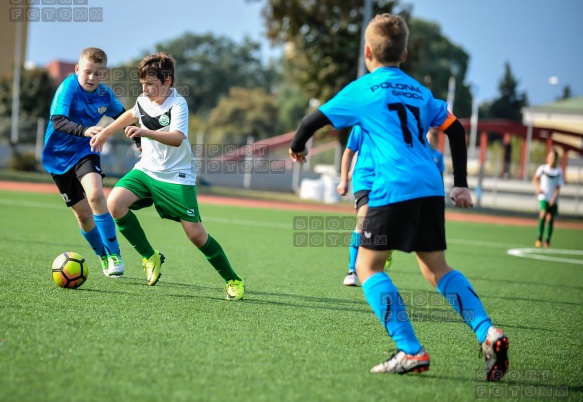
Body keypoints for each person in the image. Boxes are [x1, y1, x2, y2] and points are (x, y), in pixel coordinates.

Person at [289, 13, 509, 381]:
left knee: (367, 267)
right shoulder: (420, 92)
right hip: (429, 184)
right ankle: (488, 332)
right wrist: (461, 183)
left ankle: (411, 350)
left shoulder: (363, 88)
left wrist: (297, 146)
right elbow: (455, 130)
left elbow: (312, 121)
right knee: (436, 268)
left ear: (367, 52)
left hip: (394, 186)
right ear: (404, 53)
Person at [89, 52, 245, 300]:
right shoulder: (144, 99)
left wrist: (145, 132)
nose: (146, 89)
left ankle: (233, 280)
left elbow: (176, 138)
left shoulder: (178, 104)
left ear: (168, 81)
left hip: (176, 176)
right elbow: (132, 112)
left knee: (196, 235)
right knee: (115, 203)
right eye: (143, 84)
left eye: (151, 84)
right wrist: (107, 132)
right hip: (147, 169)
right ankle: (149, 256)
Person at [42, 47, 125, 277]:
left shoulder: (105, 95)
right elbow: (58, 121)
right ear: (77, 69)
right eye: (88, 72)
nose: (92, 78)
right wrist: (85, 129)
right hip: (57, 158)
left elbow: (123, 116)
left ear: (104, 75)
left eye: (98, 74)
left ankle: (115, 253)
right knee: (83, 215)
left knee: (96, 195)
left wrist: (139, 140)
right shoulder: (68, 86)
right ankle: (103, 256)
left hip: (85, 150)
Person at [337, 126, 392, 287]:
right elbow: (348, 152)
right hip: (364, 179)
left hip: (387, 180)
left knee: (385, 226)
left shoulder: (393, 124)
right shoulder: (360, 126)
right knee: (363, 223)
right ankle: (352, 271)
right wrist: (343, 180)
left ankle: (385, 251)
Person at [532, 149, 563, 248]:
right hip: (544, 195)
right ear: (547, 158)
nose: (552, 159)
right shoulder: (543, 168)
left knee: (550, 218)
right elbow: (535, 180)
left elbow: (558, 187)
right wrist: (538, 188)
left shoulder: (558, 171)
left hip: (553, 197)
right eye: (550, 157)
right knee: (543, 213)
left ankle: (547, 240)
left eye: (554, 157)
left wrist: (554, 198)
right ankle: (539, 238)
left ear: (556, 159)